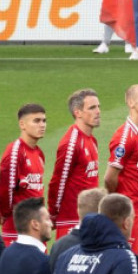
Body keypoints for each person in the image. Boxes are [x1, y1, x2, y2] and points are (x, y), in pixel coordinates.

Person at [105, 85, 138, 260]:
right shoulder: (124, 137)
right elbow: (110, 177)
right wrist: (120, 204)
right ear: (130, 102)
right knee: (128, 261)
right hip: (131, 212)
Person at [49, 89, 102, 238]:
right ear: (77, 112)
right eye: (92, 108)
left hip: (90, 218)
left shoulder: (92, 140)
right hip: (71, 221)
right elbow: (58, 182)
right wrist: (54, 213)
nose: (98, 111)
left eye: (98, 106)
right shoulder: (71, 143)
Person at [0, 104, 48, 246]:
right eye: (36, 121)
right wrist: (6, 214)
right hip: (17, 231)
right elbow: (5, 190)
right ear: (22, 124)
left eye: (44, 120)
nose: (42, 125)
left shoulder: (39, 153)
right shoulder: (15, 152)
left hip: (36, 228)